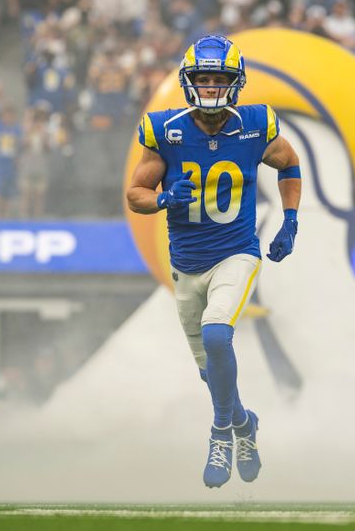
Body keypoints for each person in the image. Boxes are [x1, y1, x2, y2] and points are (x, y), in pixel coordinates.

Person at [126, 35, 301, 488]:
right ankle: (244, 423)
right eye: (201, 78)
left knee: (217, 334)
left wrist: (291, 221)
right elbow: (135, 195)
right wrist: (164, 197)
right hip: (185, 265)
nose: (208, 86)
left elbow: (289, 163)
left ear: (235, 82)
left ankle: (221, 433)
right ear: (188, 82)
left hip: (235, 254)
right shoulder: (166, 129)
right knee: (212, 373)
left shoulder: (255, 124)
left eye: (217, 78)